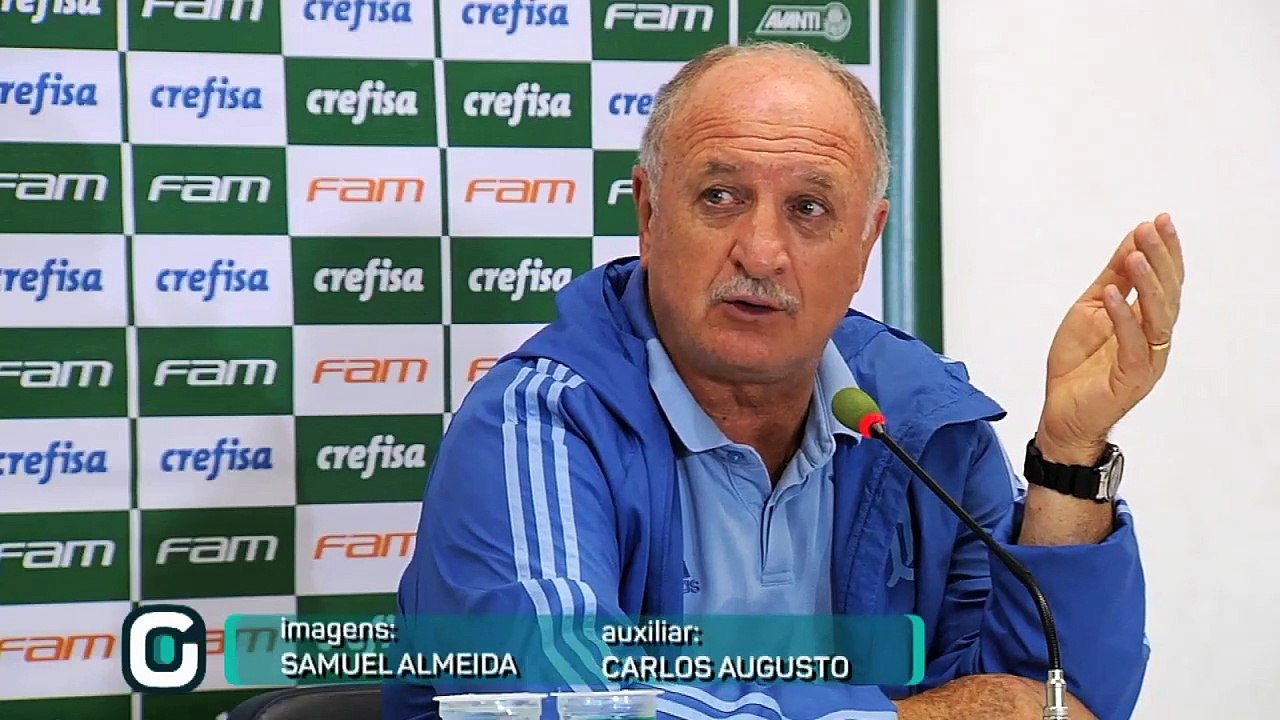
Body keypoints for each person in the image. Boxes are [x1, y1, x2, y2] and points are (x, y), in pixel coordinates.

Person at [384, 41, 1183, 720]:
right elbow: (559, 704)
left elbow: (1052, 701)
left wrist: (1069, 456)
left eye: (808, 208)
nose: (761, 252)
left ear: (866, 240)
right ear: (649, 213)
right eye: (720, 196)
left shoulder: (918, 421)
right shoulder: (536, 423)